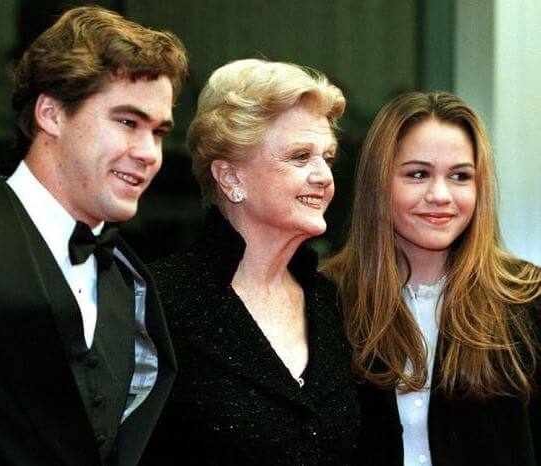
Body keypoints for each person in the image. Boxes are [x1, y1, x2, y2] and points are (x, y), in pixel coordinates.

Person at [142, 59, 361, 465]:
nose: (323, 176)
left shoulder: (332, 301)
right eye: (300, 156)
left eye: (327, 158)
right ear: (230, 178)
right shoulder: (159, 302)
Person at [0, 6, 187, 466]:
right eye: (127, 122)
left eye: (158, 132)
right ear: (51, 113)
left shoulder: (130, 281)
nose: (149, 154)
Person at [323, 91, 541, 466]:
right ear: (379, 182)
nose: (440, 195)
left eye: (460, 176)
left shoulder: (525, 297)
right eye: (418, 174)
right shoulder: (325, 298)